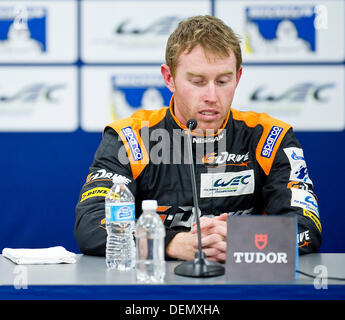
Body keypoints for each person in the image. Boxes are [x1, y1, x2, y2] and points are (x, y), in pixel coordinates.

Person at [74, 15, 321, 262]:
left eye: (223, 81)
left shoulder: (269, 137)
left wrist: (244, 240)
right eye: (197, 82)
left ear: (238, 76)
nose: (212, 96)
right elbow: (92, 223)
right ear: (169, 78)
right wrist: (169, 243)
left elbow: (306, 228)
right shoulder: (131, 139)